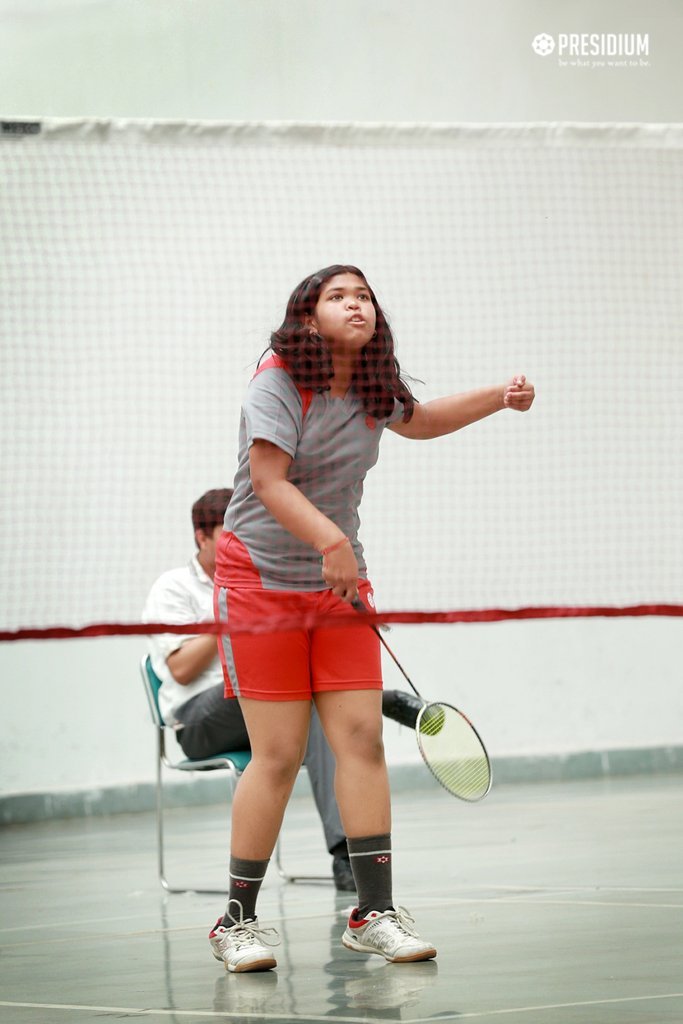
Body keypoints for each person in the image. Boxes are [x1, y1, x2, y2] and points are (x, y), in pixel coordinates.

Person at [210, 264, 535, 973]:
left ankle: (372, 913)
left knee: (360, 738)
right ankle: (235, 922)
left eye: (363, 295)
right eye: (337, 296)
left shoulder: (370, 386)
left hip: (337, 587)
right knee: (279, 755)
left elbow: (418, 423)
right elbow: (267, 481)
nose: (355, 304)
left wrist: (498, 397)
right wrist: (330, 541)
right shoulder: (277, 380)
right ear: (306, 317)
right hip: (261, 580)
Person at [143, 487, 423, 894]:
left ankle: (347, 859)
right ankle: (381, 701)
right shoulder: (173, 588)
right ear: (201, 538)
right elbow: (181, 669)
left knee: (321, 719)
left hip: (265, 707)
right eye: (228, 533)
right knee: (306, 695)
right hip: (198, 719)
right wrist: (233, 611)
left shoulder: (264, 580)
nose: (239, 542)